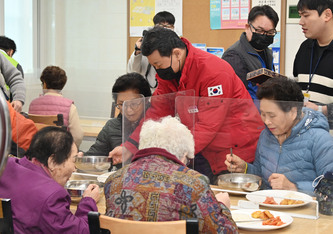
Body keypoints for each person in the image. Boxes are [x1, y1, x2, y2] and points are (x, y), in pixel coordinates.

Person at [110, 26, 264, 184]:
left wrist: (177, 153)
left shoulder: (213, 72)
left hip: (234, 152)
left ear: (176, 53)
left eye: (158, 64)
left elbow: (208, 126)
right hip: (202, 149)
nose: (157, 70)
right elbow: (156, 112)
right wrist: (130, 147)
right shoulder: (169, 73)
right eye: (154, 66)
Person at [105, 116, 237, 233]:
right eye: (188, 160)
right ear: (184, 156)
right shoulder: (194, 183)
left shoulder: (114, 180)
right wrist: (222, 206)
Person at [225, 78, 333, 195]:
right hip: (269, 208)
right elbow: (262, 176)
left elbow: (330, 188)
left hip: (304, 211)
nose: (266, 121)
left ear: (292, 112)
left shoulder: (320, 139)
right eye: (263, 114)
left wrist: (294, 187)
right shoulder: (266, 135)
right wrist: (245, 168)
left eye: (272, 115)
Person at [0, 126, 100, 233]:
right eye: (73, 160)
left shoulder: (6, 166)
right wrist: (88, 201)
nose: (74, 168)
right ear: (52, 161)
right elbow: (83, 231)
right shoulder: (52, 197)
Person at [80, 72, 151, 157]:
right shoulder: (112, 126)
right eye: (121, 104)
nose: (128, 110)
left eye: (134, 104)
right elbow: (96, 154)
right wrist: (82, 157)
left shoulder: (156, 126)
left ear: (146, 101)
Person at [222, 5, 279, 100]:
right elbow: (237, 96)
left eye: (270, 33)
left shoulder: (267, 52)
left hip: (265, 109)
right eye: (260, 30)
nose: (264, 35)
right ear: (248, 27)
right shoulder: (233, 55)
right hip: (248, 111)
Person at [294, 0, 333, 129]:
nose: (301, 22)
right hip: (304, 135)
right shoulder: (305, 48)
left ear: (327, 15)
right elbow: (297, 85)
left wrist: (320, 109)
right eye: (300, 16)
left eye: (306, 15)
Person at [29, 66, 84, 147]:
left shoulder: (33, 105)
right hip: (60, 154)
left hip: (38, 152)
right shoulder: (70, 107)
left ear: (44, 84)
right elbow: (78, 136)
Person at [127, 11, 175, 90]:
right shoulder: (147, 46)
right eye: (161, 25)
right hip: (147, 93)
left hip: (167, 93)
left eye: (168, 26)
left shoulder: (176, 47)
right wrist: (138, 51)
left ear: (173, 28)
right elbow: (134, 71)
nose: (165, 29)